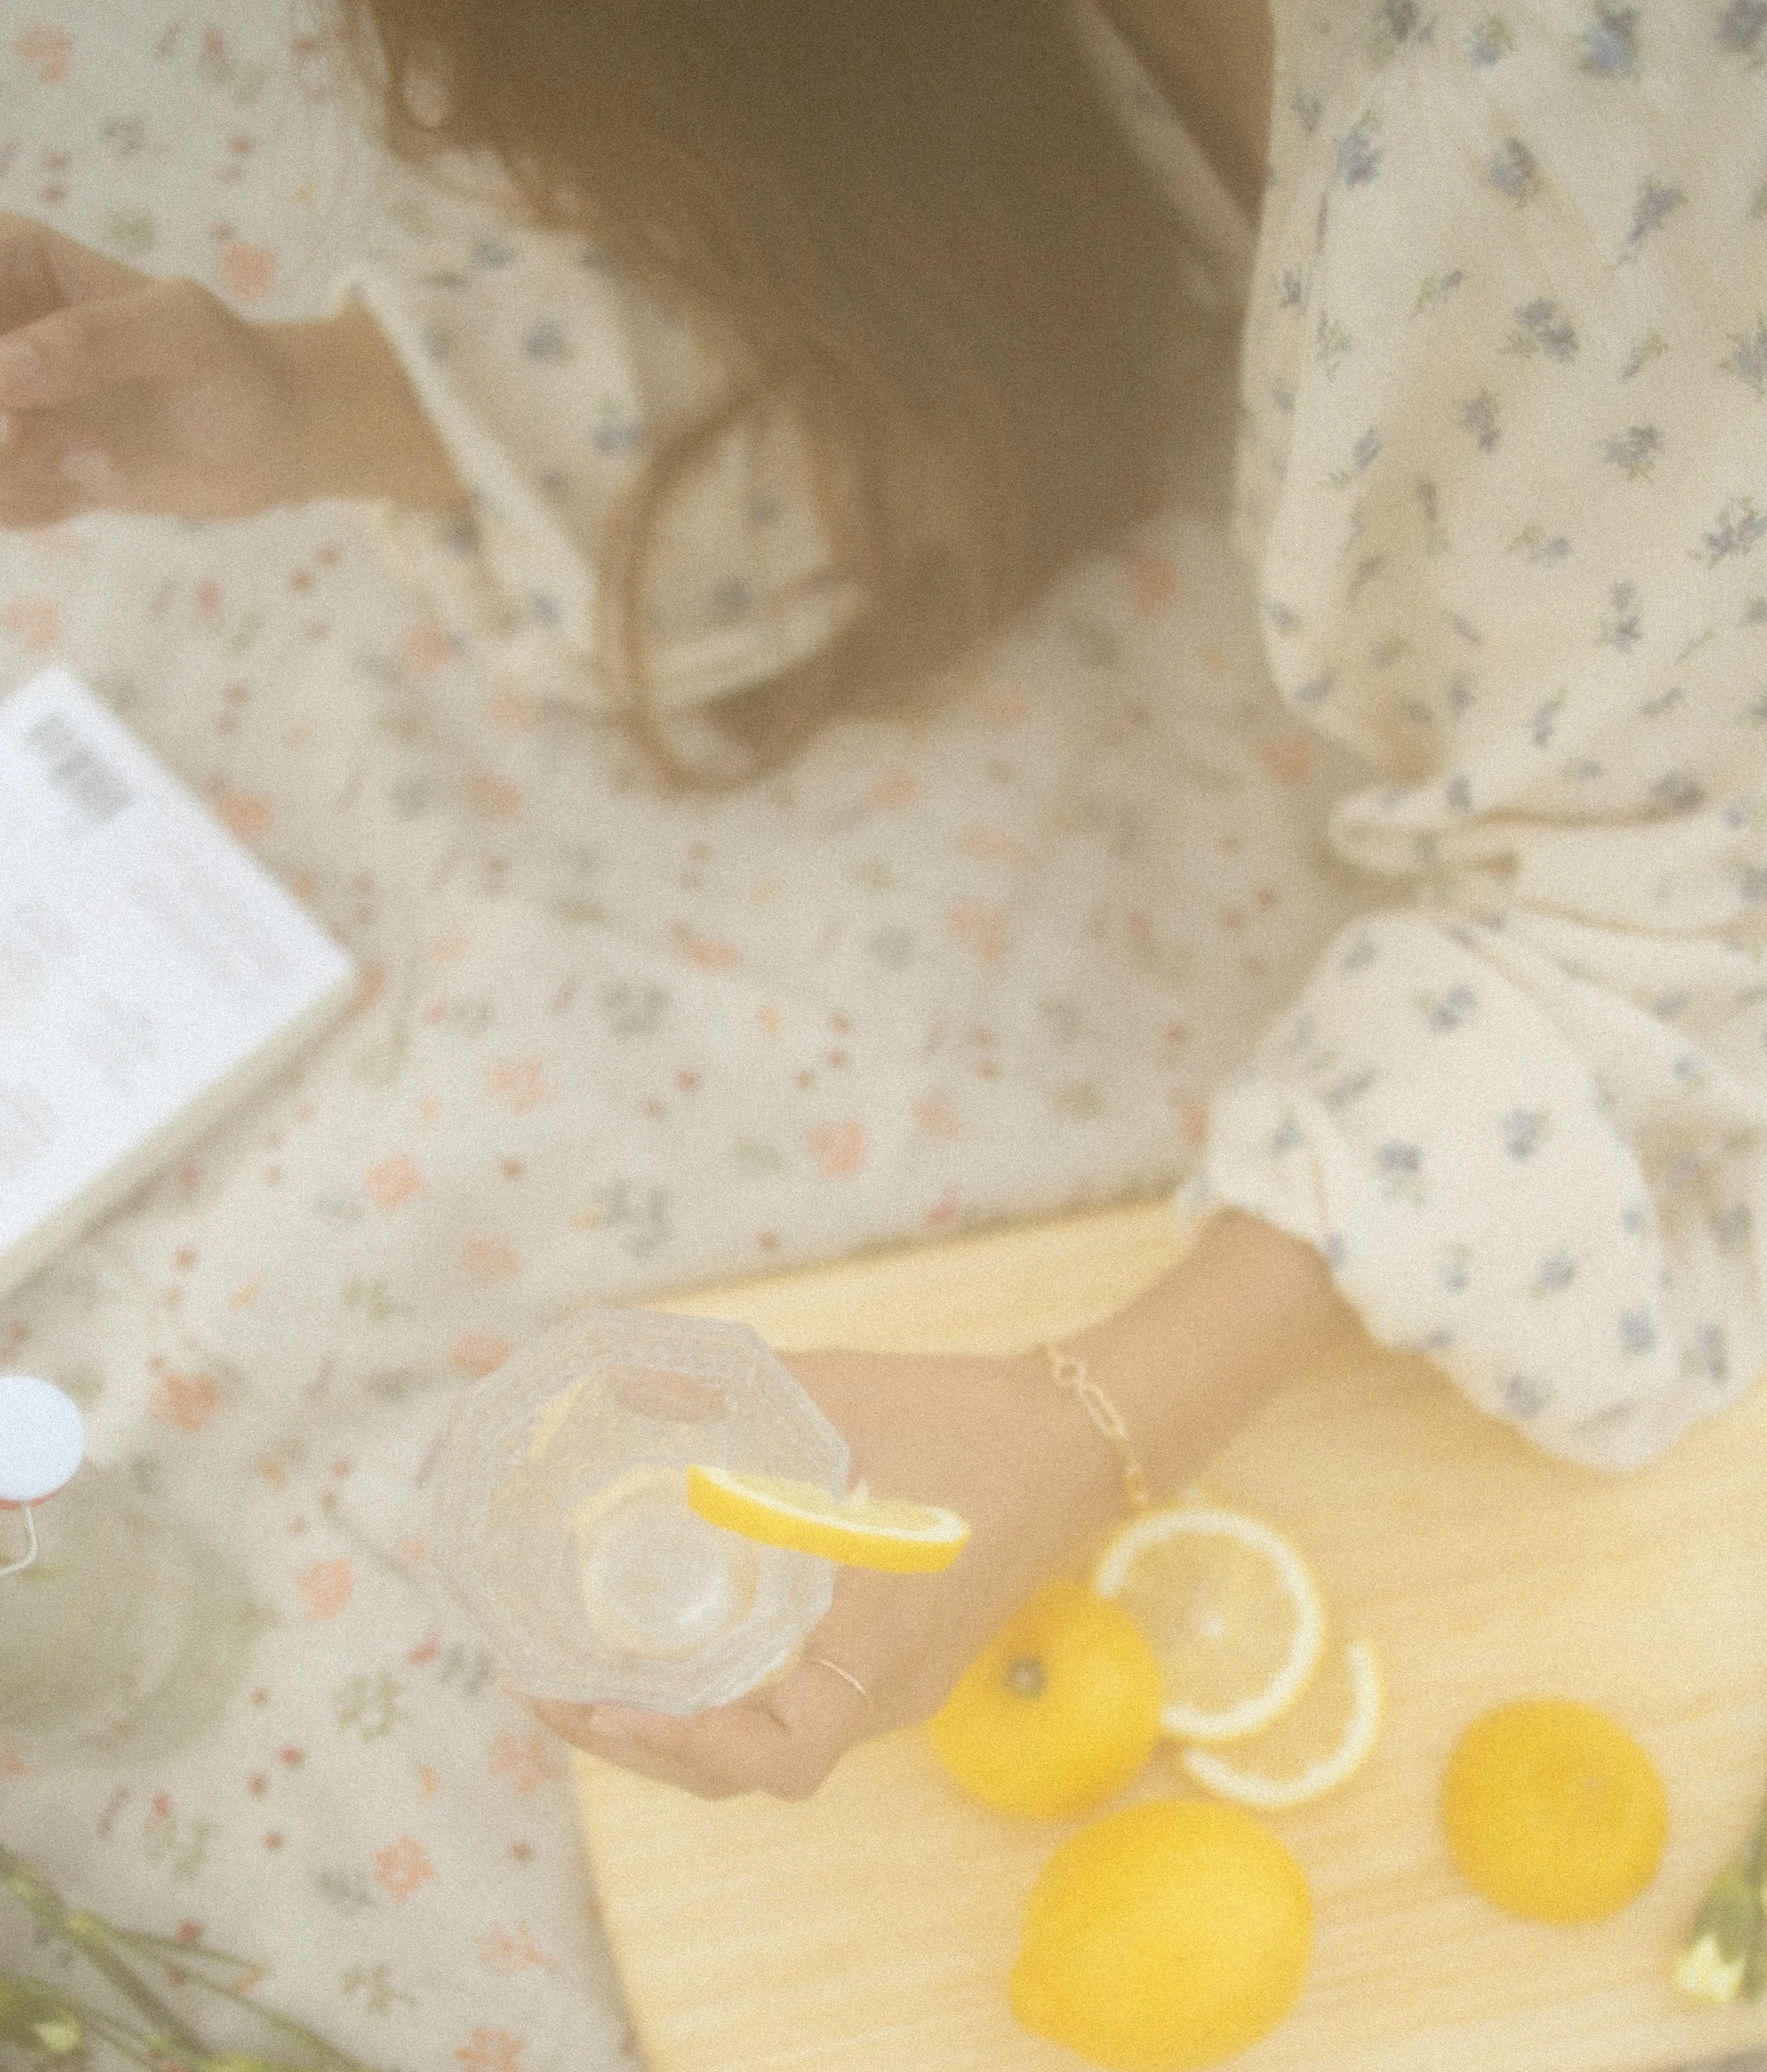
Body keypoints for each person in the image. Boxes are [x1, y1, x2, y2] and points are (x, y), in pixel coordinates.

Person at [2, 1, 1763, 1807]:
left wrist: (1096, 1422)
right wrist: (304, 408)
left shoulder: (1577, 100)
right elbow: (953, 259)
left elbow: (1676, 943)